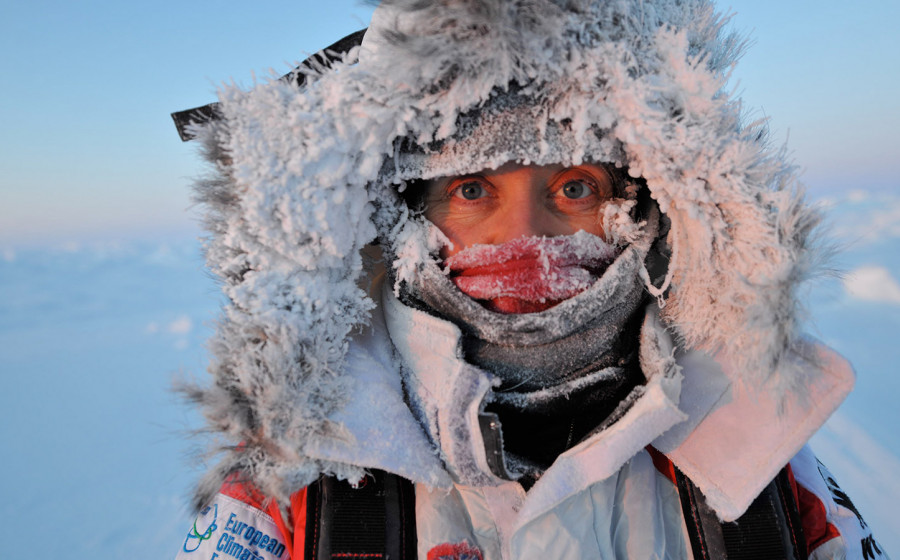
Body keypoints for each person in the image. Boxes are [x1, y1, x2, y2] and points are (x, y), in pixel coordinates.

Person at [171, 1, 887, 558]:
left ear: (642, 207)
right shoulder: (295, 475)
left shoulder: (752, 450)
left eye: (574, 187)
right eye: (474, 191)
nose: (526, 239)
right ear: (403, 221)